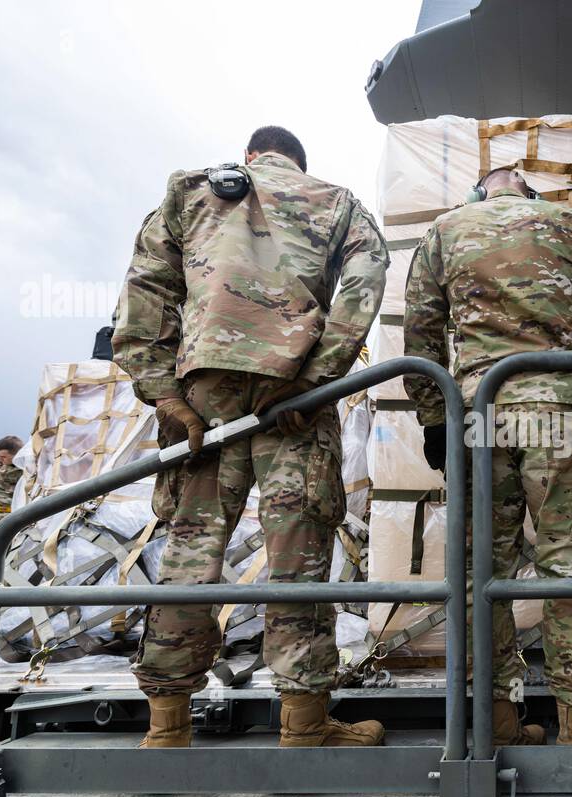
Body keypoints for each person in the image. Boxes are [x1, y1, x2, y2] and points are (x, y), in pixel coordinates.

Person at [112, 125, 390, 749]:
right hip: (292, 398)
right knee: (299, 552)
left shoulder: (189, 196)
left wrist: (165, 394)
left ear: (251, 157)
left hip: (201, 399)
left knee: (190, 550)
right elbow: (368, 279)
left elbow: (143, 292)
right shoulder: (334, 201)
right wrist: (318, 376)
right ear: (299, 162)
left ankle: (167, 727)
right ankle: (305, 725)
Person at [403, 164, 572, 746]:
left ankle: (499, 721)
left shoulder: (445, 231)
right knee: (568, 572)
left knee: (482, 572)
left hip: (481, 416)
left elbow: (421, 338)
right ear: (529, 189)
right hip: (563, 411)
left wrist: (436, 419)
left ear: (480, 191)